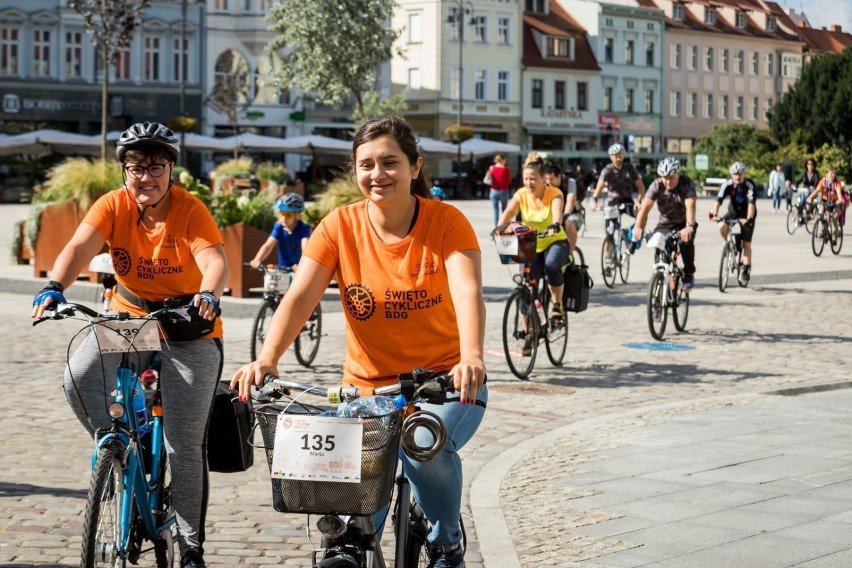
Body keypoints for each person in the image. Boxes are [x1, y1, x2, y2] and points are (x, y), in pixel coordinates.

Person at [230, 116, 486, 568]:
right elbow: (299, 298)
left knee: (420, 441)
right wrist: (266, 358)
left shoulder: (446, 222)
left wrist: (472, 357)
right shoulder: (338, 226)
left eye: (390, 162)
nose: (377, 174)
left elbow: (467, 291)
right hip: (369, 389)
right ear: (355, 170)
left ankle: (446, 541)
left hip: (445, 382)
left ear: (415, 166)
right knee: (354, 512)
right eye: (366, 164)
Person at [30, 121, 229, 568]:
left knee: (183, 443)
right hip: (129, 315)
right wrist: (54, 285)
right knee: (78, 378)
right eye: (136, 166)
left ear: (171, 169)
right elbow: (80, 246)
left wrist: (209, 295)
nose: (146, 176)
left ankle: (191, 545)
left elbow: (215, 261)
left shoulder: (190, 210)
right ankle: (123, 450)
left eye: (156, 165)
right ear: (124, 171)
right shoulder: (112, 204)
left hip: (186, 322)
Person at [495, 152, 569, 347]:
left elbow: (557, 212)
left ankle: (557, 306)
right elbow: (509, 212)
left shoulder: (554, 193)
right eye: (525, 179)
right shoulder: (521, 194)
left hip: (555, 241)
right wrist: (499, 228)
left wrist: (555, 223)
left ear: (543, 178)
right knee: (526, 285)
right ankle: (528, 332)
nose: (528, 183)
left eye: (532, 179)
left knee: (552, 265)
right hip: (530, 244)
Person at [632, 157, 698, 290]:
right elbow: (645, 208)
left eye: (671, 177)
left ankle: (689, 274)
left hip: (684, 224)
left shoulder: (686, 184)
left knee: (686, 242)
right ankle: (658, 291)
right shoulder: (657, 185)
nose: (667, 181)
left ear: (678, 174)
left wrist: (689, 226)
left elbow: (690, 204)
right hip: (665, 224)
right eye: (664, 177)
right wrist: (638, 226)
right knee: (659, 250)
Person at [709, 161, 757, 286]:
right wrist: (714, 214)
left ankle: (745, 269)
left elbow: (751, 203)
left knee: (746, 243)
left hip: (747, 213)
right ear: (731, 174)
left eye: (740, 174)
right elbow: (718, 200)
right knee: (721, 225)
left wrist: (749, 219)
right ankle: (730, 245)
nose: (737, 176)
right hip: (733, 211)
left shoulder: (749, 185)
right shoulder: (728, 184)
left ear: (744, 174)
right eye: (735, 174)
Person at [248, 192, 311, 270]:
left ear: (297, 215)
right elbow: (268, 246)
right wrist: (257, 260)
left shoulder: (304, 229)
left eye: (288, 215)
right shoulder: (279, 227)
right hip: (282, 269)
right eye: (281, 214)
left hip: (298, 269)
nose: (284, 218)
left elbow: (305, 250)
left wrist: (302, 265)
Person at [590, 142, 645, 215]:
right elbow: (599, 188)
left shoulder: (629, 168)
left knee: (641, 215)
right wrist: (594, 201)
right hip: (613, 200)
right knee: (609, 221)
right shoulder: (607, 170)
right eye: (616, 156)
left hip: (627, 200)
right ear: (611, 157)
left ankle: (635, 226)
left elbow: (641, 187)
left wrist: (638, 201)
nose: (618, 158)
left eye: (620, 156)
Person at [544, 163, 582, 255]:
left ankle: (570, 254)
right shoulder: (545, 185)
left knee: (568, 223)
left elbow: (571, 200)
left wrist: (565, 216)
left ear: (559, 177)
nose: (549, 182)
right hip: (553, 215)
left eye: (551, 179)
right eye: (547, 179)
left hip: (572, 213)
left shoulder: (570, 182)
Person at [486, 153, 512, 226]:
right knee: (504, 211)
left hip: (494, 191)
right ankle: (503, 227)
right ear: (503, 159)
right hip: (503, 191)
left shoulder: (492, 168)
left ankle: (496, 227)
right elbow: (509, 181)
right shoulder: (505, 169)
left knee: (495, 210)